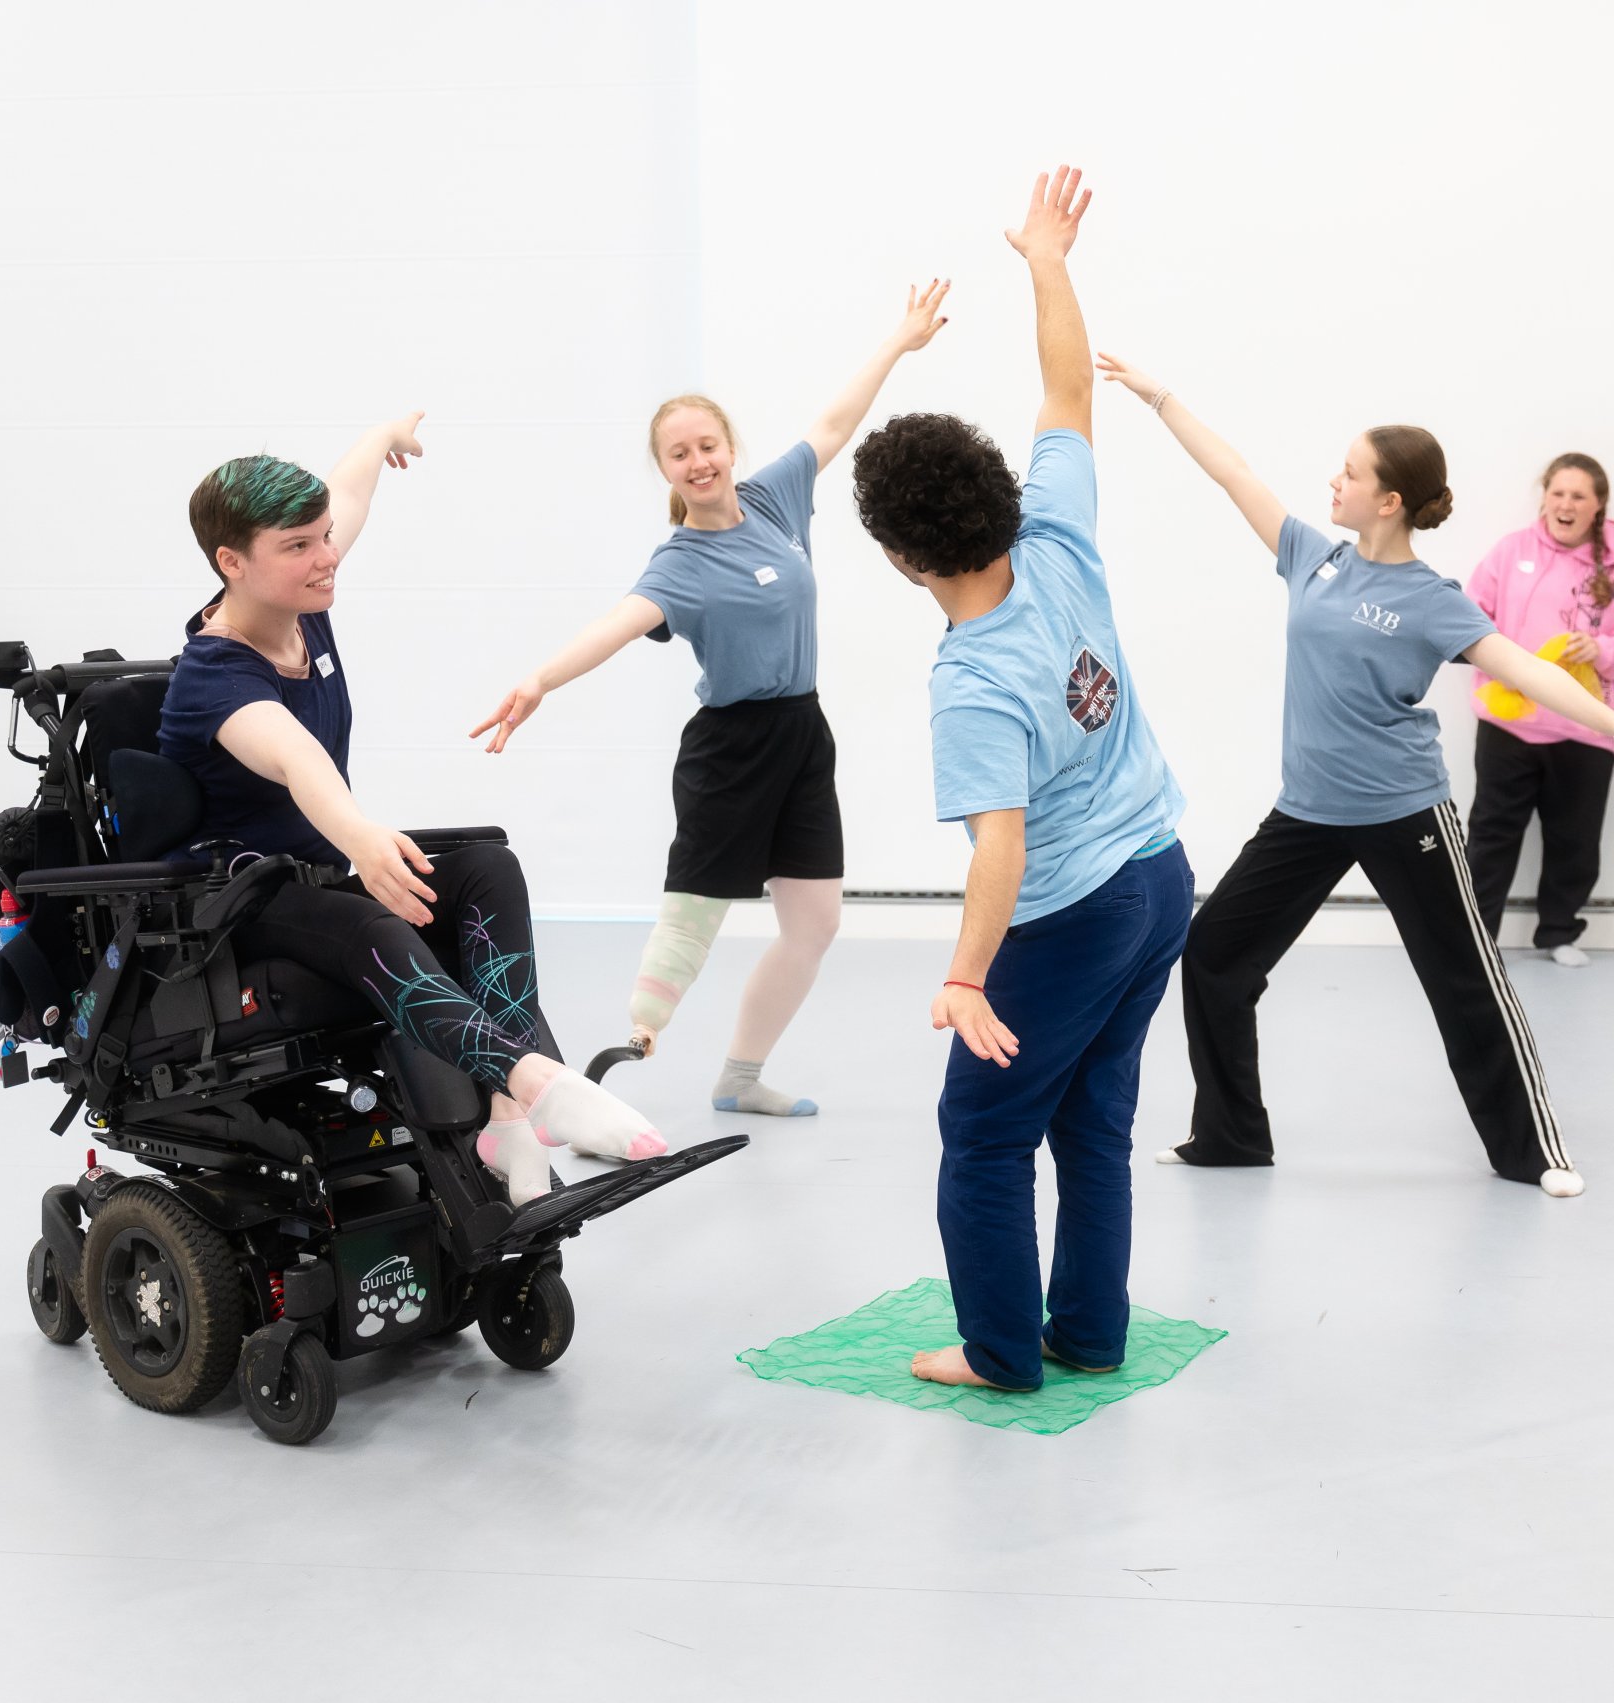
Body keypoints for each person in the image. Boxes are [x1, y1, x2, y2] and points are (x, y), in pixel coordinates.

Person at [1092, 356, 1614, 1198]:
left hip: (1404, 810)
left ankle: (1534, 1152)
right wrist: (1159, 397)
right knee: (1216, 955)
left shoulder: (1432, 597)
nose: (1333, 480)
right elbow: (1235, 473)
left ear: (1391, 500)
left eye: (1352, 471)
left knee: (1464, 979)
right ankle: (1228, 1135)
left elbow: (1523, 666)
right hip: (1307, 812)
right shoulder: (1313, 556)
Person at [849, 169, 1192, 1392]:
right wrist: (1047, 261)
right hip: (1161, 876)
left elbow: (1000, 846)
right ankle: (1087, 1332)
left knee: (985, 1138)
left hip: (1074, 913)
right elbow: (1062, 389)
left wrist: (963, 974)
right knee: (1093, 1122)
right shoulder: (1055, 531)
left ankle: (1001, 1351)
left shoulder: (971, 681)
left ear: (900, 558)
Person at [470, 284, 953, 1114]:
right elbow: (617, 625)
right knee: (695, 910)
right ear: (665, 470)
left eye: (707, 445)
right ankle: (636, 1038)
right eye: (678, 454)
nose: (698, 462)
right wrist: (539, 679)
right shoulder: (679, 565)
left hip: (803, 732)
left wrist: (898, 342)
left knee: (816, 923)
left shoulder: (772, 499)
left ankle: (739, 1078)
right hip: (731, 747)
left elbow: (833, 423)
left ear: (730, 447)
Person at [158, 417, 662, 1206]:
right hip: (230, 905)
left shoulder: (300, 600)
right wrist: (362, 836)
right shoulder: (212, 674)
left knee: (484, 868)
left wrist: (378, 437)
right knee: (374, 924)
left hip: (308, 878)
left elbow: (348, 494)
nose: (326, 557)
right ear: (233, 562)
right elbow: (296, 757)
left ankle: (504, 1114)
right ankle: (539, 1082)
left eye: (324, 539)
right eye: (299, 545)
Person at [1463, 452, 1614, 964]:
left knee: (1574, 839)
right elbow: (1469, 615)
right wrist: (1502, 664)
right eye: (1557, 493)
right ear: (1544, 497)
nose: (1565, 504)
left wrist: (1604, 649)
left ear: (1598, 506)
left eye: (1578, 496)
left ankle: (1558, 933)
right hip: (1509, 722)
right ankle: (1473, 938)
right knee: (1491, 835)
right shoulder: (1511, 552)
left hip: (1585, 726)